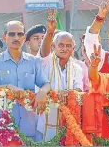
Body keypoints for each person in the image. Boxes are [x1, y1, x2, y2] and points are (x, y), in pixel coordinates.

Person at [0, 20, 51, 142]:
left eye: (20, 34)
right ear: (4, 37)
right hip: (2, 129)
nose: (16, 37)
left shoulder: (34, 61)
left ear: (24, 37)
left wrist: (43, 92)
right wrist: (7, 87)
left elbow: (46, 84)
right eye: (11, 34)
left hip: (30, 128)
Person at [36, 8, 83, 142]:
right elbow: (43, 52)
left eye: (68, 46)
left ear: (73, 49)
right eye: (61, 45)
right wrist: (50, 32)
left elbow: (79, 89)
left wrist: (69, 92)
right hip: (44, 119)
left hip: (68, 121)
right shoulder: (46, 62)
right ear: (53, 47)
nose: (64, 48)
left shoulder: (76, 67)